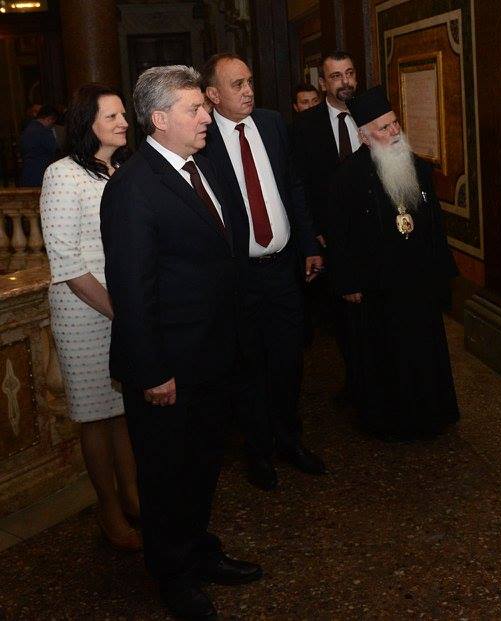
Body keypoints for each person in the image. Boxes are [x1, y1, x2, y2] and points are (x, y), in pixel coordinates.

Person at [101, 65, 261, 619]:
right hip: (168, 367)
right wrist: (152, 371)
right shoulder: (132, 187)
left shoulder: (201, 165)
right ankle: (172, 574)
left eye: (204, 107)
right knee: (167, 474)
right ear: (159, 118)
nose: (206, 117)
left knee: (202, 463)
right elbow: (132, 289)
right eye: (195, 109)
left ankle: (198, 549)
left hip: (213, 355)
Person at [200, 53, 327, 490]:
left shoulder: (272, 124)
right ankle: (258, 452)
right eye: (237, 85)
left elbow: (293, 186)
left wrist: (308, 244)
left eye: (250, 81)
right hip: (240, 277)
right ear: (213, 95)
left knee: (289, 361)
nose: (248, 91)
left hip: (284, 271)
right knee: (249, 367)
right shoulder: (203, 141)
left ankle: (290, 441)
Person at [39, 84, 141, 553]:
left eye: (124, 114)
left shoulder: (123, 169)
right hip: (83, 310)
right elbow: (66, 262)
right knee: (95, 416)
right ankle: (109, 511)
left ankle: (133, 497)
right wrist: (122, 313)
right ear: (88, 123)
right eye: (112, 116)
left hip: (122, 305)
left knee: (122, 410)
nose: (124, 122)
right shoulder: (62, 174)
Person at [330, 85, 460, 439]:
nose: (394, 131)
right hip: (378, 286)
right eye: (384, 128)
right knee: (385, 354)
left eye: (395, 123)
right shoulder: (347, 177)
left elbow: (434, 224)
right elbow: (340, 235)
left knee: (424, 349)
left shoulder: (417, 167)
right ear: (365, 136)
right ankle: (391, 421)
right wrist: (348, 281)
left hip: (418, 281)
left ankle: (431, 414)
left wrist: (441, 271)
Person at [291, 51, 362, 399]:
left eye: (349, 73)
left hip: (373, 235)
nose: (345, 81)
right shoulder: (305, 126)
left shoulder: (370, 112)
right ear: (323, 83)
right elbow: (300, 186)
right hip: (332, 239)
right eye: (336, 76)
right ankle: (356, 384)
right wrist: (311, 234)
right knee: (345, 318)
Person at [19, 104, 59, 186]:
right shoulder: (44, 132)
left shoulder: (28, 128)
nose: (52, 125)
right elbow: (55, 149)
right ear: (49, 119)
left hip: (27, 172)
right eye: (53, 122)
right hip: (41, 174)